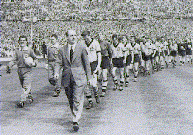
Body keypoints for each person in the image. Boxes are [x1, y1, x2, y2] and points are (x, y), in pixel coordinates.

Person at [55, 30, 92, 132]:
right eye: (71, 36)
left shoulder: (81, 48)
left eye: (75, 35)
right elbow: (58, 62)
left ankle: (75, 119)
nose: (74, 37)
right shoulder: (62, 50)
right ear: (66, 37)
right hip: (67, 77)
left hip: (79, 77)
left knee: (77, 98)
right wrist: (56, 72)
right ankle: (75, 114)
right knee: (71, 99)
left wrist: (89, 78)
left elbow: (87, 64)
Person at [6, 35, 37, 108]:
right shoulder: (17, 51)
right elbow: (14, 60)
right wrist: (9, 66)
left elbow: (35, 58)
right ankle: (29, 96)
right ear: (19, 42)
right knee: (24, 85)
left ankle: (22, 101)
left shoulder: (29, 50)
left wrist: (34, 63)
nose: (22, 42)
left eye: (24, 40)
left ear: (26, 42)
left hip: (27, 70)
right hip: (20, 71)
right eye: (21, 40)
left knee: (26, 86)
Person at [81, 30, 101, 109]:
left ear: (89, 35)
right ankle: (90, 101)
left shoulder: (95, 43)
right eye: (83, 36)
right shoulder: (82, 44)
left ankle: (96, 94)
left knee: (93, 84)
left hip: (93, 64)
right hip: (86, 65)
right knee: (85, 85)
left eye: (85, 36)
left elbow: (99, 55)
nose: (85, 38)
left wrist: (98, 66)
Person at [98, 33, 113, 97]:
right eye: (99, 36)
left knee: (104, 75)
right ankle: (100, 86)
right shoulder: (96, 43)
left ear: (103, 37)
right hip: (98, 59)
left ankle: (103, 91)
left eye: (101, 36)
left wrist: (110, 60)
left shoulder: (107, 43)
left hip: (105, 59)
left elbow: (110, 52)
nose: (100, 37)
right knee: (98, 76)